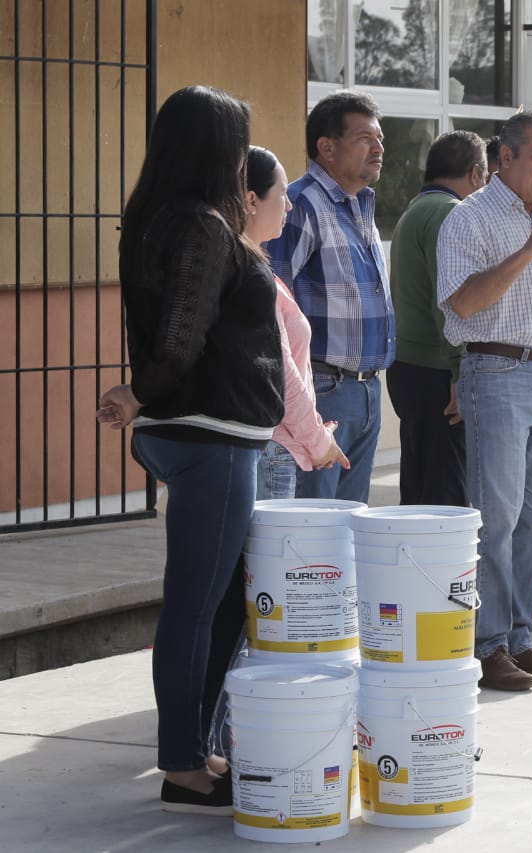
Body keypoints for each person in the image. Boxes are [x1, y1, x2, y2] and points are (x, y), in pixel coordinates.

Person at [97, 86, 283, 814]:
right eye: (238, 145)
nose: (243, 161)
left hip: (197, 434)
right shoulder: (203, 226)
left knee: (216, 602)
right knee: (196, 607)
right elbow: (182, 336)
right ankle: (183, 766)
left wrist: (142, 396)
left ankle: (197, 747)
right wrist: (139, 392)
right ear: (217, 150)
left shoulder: (159, 218)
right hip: (210, 436)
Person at [437, 110, 532, 690]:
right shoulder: (468, 218)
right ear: (505, 158)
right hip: (498, 370)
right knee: (496, 518)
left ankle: (520, 638)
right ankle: (487, 646)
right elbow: (462, 305)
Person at [267, 90, 392, 504]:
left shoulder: (360, 207)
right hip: (322, 389)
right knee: (314, 522)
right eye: (365, 138)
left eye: (380, 139)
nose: (379, 148)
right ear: (327, 147)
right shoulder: (300, 205)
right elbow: (271, 306)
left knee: (350, 522)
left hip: (366, 390)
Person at [386, 130, 488, 506]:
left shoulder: (418, 208)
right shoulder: (449, 212)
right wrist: (460, 373)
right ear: (476, 173)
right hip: (438, 372)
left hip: (411, 366)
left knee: (419, 488)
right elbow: (448, 302)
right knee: (446, 496)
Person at [245, 146, 349, 498]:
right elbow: (281, 371)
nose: (289, 206)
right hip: (271, 446)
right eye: (283, 193)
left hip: (269, 445)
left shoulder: (251, 268)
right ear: (252, 200)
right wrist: (318, 441)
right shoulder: (250, 276)